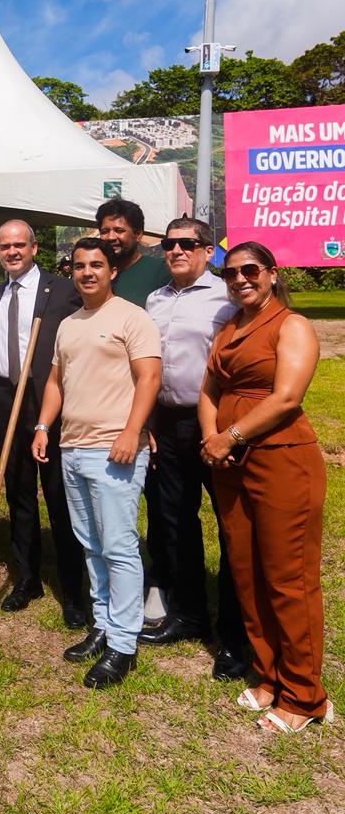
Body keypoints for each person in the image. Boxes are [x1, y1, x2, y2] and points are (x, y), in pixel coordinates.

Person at [200, 242, 331, 733]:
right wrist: (212, 441)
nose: (239, 279)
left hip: (280, 460)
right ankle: (271, 676)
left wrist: (229, 436)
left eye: (250, 270)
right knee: (247, 572)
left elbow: (286, 398)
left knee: (288, 578)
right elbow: (209, 390)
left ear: (272, 274)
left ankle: (304, 696)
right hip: (230, 463)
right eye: (231, 273)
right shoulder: (230, 326)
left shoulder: (290, 325)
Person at [33, 238, 161, 689]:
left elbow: (149, 377)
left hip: (115, 450)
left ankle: (124, 645)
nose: (88, 272)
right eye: (80, 266)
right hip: (71, 447)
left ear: (111, 271)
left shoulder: (132, 316)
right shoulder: (69, 324)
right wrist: (43, 427)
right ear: (72, 272)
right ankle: (104, 624)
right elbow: (55, 382)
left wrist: (132, 431)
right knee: (90, 543)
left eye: (97, 265)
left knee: (119, 546)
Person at [139, 217, 246, 681]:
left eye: (188, 244)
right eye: (170, 244)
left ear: (207, 251)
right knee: (173, 519)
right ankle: (188, 614)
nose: (178, 250)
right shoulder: (155, 299)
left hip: (215, 423)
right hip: (166, 422)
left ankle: (234, 634)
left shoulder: (224, 299)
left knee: (230, 525)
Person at [0, 220, 85, 628]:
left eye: (19, 245)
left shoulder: (61, 290)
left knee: (60, 499)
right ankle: (26, 578)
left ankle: (73, 589)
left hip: (49, 401)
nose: (12, 252)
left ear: (34, 247)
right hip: (7, 400)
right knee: (20, 495)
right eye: (5, 246)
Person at [96, 197, 171, 624]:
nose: (111, 237)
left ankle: (158, 583)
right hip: (104, 409)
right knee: (114, 502)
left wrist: (146, 422)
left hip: (149, 407)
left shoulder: (157, 272)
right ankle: (121, 579)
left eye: (119, 230)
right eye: (105, 230)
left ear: (138, 235)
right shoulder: (95, 274)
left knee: (157, 503)